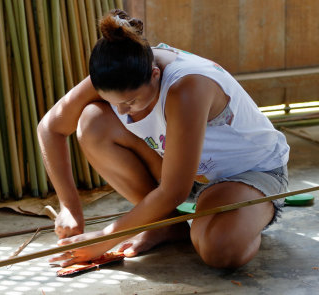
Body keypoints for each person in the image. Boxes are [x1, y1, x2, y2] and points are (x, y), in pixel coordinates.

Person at [37, 9, 289, 269]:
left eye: (130, 102)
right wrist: (69, 207)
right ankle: (168, 224)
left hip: (245, 173)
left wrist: (105, 237)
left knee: (220, 249)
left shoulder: (187, 87)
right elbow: (49, 128)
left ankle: (250, 212)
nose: (122, 112)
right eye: (114, 103)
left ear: (155, 75)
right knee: (93, 121)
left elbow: (174, 191)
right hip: (181, 171)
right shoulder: (119, 70)